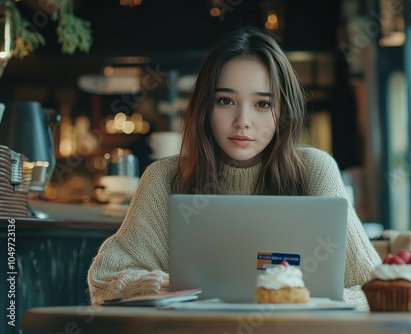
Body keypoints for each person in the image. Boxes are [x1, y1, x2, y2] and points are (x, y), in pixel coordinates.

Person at [87, 26, 381, 309]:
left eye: (262, 104)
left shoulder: (315, 170)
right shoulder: (164, 178)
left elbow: (375, 289)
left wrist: (313, 303)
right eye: (225, 100)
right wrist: (159, 285)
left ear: (284, 112)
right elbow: (103, 283)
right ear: (205, 108)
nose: (243, 120)